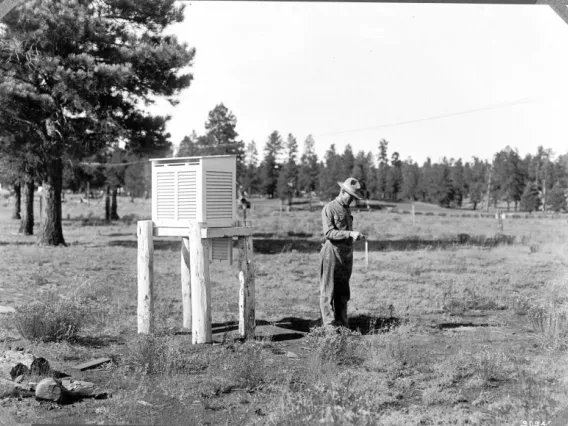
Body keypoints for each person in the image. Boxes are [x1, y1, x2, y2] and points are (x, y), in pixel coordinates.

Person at [319, 177, 366, 328]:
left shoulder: (346, 209)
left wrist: (354, 236)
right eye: (350, 196)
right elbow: (329, 233)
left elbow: (345, 230)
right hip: (331, 253)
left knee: (343, 290)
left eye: (354, 198)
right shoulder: (329, 208)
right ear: (342, 191)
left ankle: (342, 323)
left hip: (345, 254)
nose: (352, 200)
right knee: (328, 290)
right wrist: (349, 234)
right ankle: (329, 325)